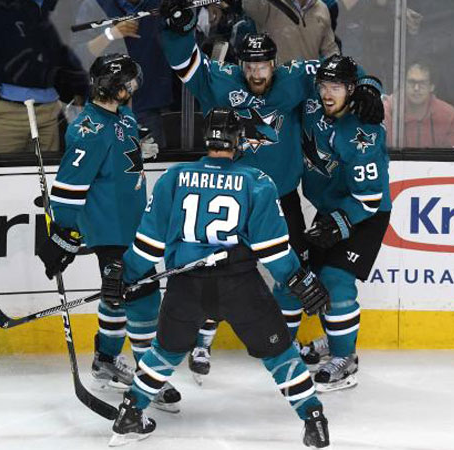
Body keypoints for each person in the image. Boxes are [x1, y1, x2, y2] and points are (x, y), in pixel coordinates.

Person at [158, 0, 384, 378]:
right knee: (210, 267)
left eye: (262, 65)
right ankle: (201, 341)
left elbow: (344, 70)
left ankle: (284, 341)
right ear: (240, 63)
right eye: (249, 65)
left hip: (280, 198)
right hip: (228, 196)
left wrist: (370, 87)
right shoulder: (223, 81)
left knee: (292, 270)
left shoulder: (296, 77)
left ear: (274, 63)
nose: (255, 73)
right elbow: (185, 64)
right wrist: (177, 31)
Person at [104, 107, 331, 448]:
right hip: (240, 287)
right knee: (280, 354)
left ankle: (130, 414)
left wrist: (124, 275)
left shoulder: (174, 177)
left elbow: (148, 245)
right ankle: (313, 419)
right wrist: (297, 279)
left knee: (164, 352)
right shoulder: (256, 181)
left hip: (186, 286)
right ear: (238, 139)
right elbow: (273, 251)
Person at [36, 53, 179, 412]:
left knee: (116, 294)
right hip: (110, 232)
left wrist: (138, 148)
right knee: (144, 299)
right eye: (129, 82)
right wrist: (63, 234)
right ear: (118, 88)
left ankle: (105, 359)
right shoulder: (89, 130)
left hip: (131, 226)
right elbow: (69, 188)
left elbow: (121, 152)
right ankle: (150, 378)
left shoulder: (122, 115)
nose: (134, 87)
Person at [298, 55, 391, 391]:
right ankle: (333, 339)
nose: (326, 93)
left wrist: (337, 223)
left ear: (350, 91)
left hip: (365, 214)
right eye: (324, 85)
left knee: (336, 280)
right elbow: (343, 66)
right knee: (320, 279)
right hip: (332, 209)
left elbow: (369, 199)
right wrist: (371, 83)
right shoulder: (313, 103)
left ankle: (345, 360)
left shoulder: (362, 133)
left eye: (336, 87)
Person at [0, 0, 88, 154]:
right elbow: (2, 59)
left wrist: (78, 87)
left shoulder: (61, 6)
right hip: (7, 112)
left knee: (46, 176)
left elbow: (65, 53)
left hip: (50, 111)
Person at [73, 0, 173, 149]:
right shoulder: (93, 5)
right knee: (106, 165)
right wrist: (110, 34)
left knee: (153, 166)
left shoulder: (161, 4)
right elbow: (78, 57)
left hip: (147, 108)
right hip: (104, 110)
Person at [382, 62, 454, 148]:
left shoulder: (448, 115)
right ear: (404, 84)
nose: (416, 88)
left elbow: (453, 158)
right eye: (412, 82)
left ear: (432, 86)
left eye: (422, 83)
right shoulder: (385, 112)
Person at [242, 0, 339, 63]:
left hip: (310, 83)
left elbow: (329, 48)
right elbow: (250, 5)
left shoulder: (322, 8)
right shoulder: (267, 5)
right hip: (279, 84)